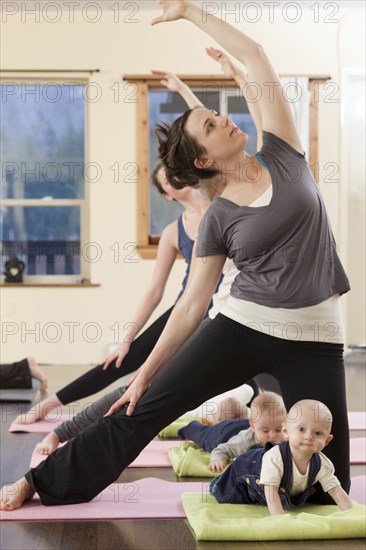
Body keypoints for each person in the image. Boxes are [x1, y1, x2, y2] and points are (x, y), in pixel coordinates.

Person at [0, 0, 350, 510]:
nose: (225, 121)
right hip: (243, 325)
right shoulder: (218, 217)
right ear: (206, 159)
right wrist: (143, 378)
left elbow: (254, 55)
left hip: (316, 333)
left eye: (217, 115)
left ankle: (249, 476)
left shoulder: (284, 150)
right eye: (212, 126)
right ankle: (42, 480)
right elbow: (190, 305)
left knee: (329, 480)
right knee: (139, 410)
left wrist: (190, 11)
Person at [210, 400, 354, 514]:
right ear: (286, 431)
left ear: (327, 440)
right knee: (222, 494)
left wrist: (352, 513)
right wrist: (280, 518)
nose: (309, 437)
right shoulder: (275, 458)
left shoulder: (323, 464)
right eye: (301, 429)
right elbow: (270, 490)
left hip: (274, 487)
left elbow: (336, 490)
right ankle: (218, 482)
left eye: (317, 433)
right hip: (243, 476)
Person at [208, 391, 286, 472]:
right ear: (253, 427)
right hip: (223, 433)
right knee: (201, 433)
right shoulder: (245, 441)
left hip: (243, 421)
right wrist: (217, 460)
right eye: (265, 431)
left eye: (278, 430)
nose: (273, 435)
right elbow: (222, 449)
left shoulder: (288, 437)